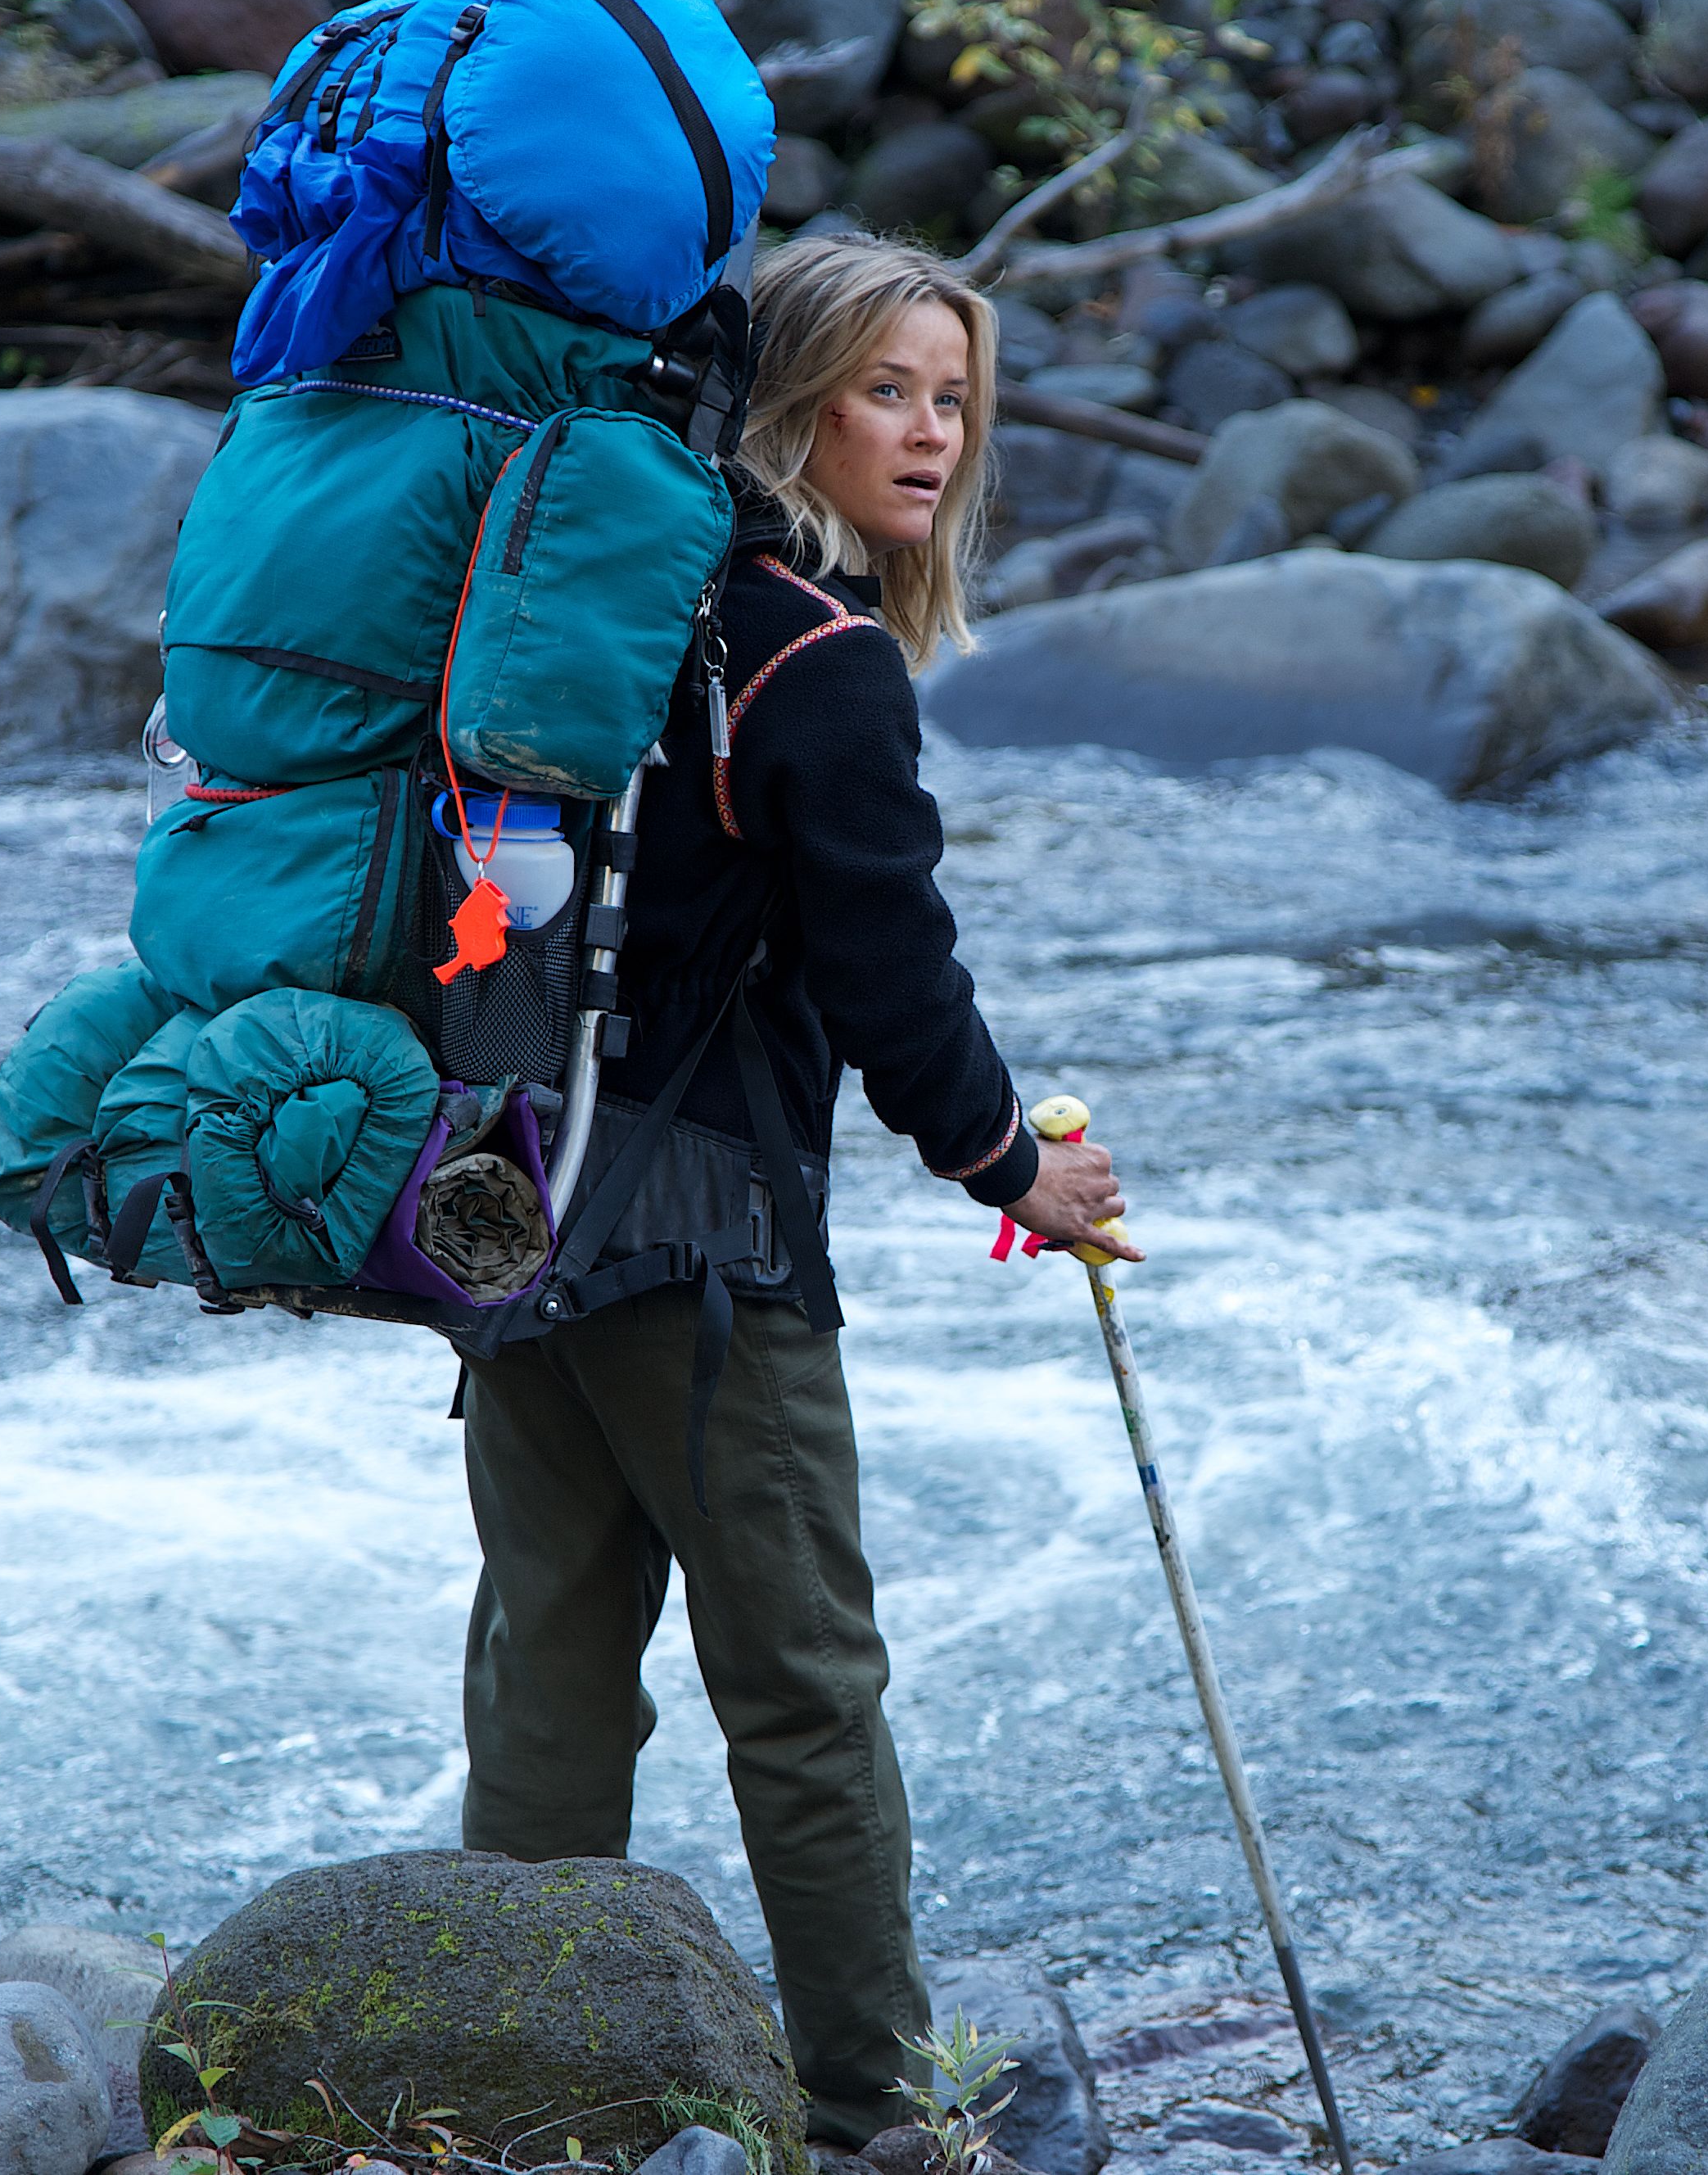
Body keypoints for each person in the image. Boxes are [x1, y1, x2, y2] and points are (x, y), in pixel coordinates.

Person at [453, 232, 1141, 2147]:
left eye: (953, 400)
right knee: (808, 1694)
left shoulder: (599, 609)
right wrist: (1029, 1171)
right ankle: (869, 2113)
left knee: (551, 1657)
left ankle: (516, 2085)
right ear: (789, 409)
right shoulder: (820, 669)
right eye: (886, 394)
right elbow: (893, 987)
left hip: (500, 1193)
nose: (929, 437)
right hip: (700, 1243)